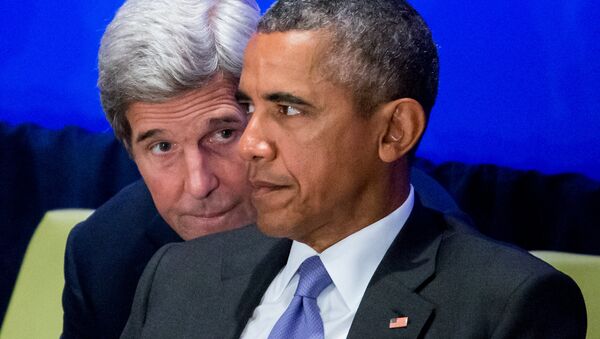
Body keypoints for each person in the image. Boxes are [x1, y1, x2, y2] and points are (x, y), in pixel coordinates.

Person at [121, 0, 587, 338]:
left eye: (288, 109)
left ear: (394, 132)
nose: (250, 143)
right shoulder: (177, 275)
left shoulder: (506, 307)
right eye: (249, 106)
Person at [61, 0, 260, 337]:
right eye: (162, 147)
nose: (199, 184)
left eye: (224, 134)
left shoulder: (349, 221)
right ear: (130, 149)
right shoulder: (105, 256)